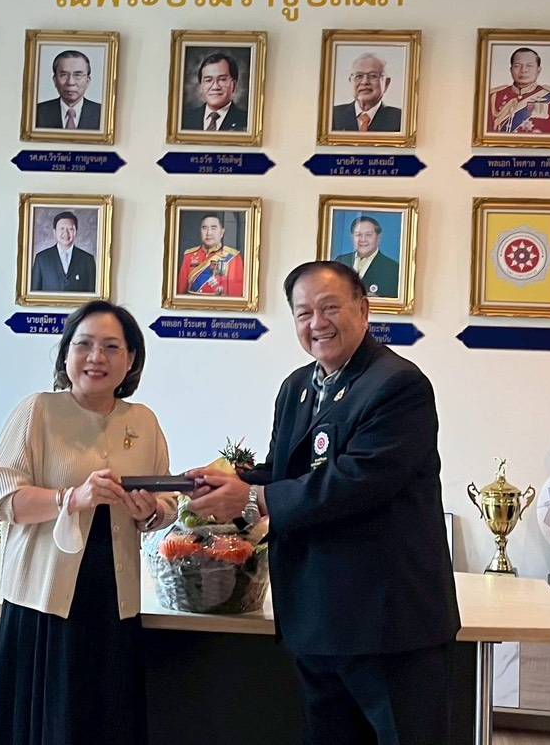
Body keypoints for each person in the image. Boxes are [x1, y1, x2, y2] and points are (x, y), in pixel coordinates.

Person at [187, 262, 458, 745]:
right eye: (303, 312)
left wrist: (253, 497)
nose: (317, 323)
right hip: (315, 616)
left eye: (330, 307)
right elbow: (288, 472)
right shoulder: (297, 387)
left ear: (364, 309)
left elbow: (357, 481)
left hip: (386, 623)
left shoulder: (398, 384)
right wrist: (229, 481)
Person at [0, 301, 175, 745]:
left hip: (114, 597)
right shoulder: (38, 411)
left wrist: (149, 511)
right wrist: (71, 498)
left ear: (131, 359)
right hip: (45, 597)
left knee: (107, 722)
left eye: (111, 347)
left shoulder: (143, 421)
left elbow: (166, 501)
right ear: (66, 353)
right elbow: (4, 499)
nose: (96, 357)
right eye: (84, 344)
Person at [486, 46, 550, 135]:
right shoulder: (494, 96)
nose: (523, 70)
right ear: (511, 69)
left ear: (538, 70)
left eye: (529, 65)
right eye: (517, 66)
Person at [329, 52, 402, 133]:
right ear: (350, 81)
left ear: (386, 83)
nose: (365, 82)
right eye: (359, 76)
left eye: (373, 76)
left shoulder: (400, 119)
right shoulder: (332, 115)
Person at [180, 51, 249, 133]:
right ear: (201, 85)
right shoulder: (184, 119)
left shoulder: (247, 121)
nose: (215, 87)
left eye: (222, 79)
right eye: (208, 80)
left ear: (233, 85)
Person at [30, 211, 98, 293]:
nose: (66, 233)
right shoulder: (41, 259)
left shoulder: (88, 260)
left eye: (70, 229)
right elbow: (34, 293)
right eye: (62, 229)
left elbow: (92, 294)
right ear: (54, 232)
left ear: (75, 232)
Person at [333, 215, 399, 299]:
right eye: (358, 235)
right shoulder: (341, 261)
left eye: (368, 235)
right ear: (352, 237)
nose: (363, 239)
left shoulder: (392, 268)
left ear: (378, 238)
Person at [34, 50, 102, 131]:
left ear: (88, 80)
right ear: (55, 80)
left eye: (78, 75)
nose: (70, 82)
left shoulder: (102, 113)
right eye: (63, 75)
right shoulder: (36, 112)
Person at [178, 213, 244, 297]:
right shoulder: (189, 256)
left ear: (222, 232)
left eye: (213, 228)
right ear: (200, 231)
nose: (209, 233)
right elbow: (180, 292)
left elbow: (235, 295)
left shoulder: (233, 257)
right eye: (204, 228)